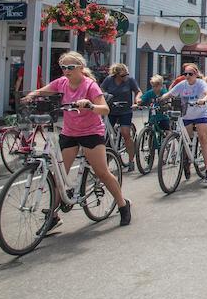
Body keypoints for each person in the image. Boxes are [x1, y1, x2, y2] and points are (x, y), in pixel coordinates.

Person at [27, 51, 130, 228]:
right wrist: (30, 96)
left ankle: (122, 205)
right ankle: (53, 216)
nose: (66, 71)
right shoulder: (61, 83)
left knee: (102, 173)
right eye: (63, 67)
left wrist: (89, 105)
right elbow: (42, 91)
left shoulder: (90, 85)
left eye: (70, 67)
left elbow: (104, 109)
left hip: (91, 132)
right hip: (70, 132)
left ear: (81, 68)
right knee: (59, 174)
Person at [160, 64, 207, 185]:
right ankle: (186, 161)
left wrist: (204, 100)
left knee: (203, 138)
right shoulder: (182, 85)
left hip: (200, 113)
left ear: (195, 74)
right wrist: (161, 98)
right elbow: (170, 94)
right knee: (186, 140)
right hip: (186, 115)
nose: (188, 76)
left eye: (190, 74)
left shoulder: (200, 83)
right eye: (185, 74)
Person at [100, 64, 142, 172]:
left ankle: (131, 160)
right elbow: (100, 91)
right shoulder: (109, 80)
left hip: (125, 110)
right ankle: (106, 161)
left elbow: (138, 91)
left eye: (126, 75)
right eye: (123, 75)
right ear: (116, 75)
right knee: (106, 135)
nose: (125, 77)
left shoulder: (130, 80)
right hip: (111, 110)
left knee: (126, 133)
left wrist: (137, 100)